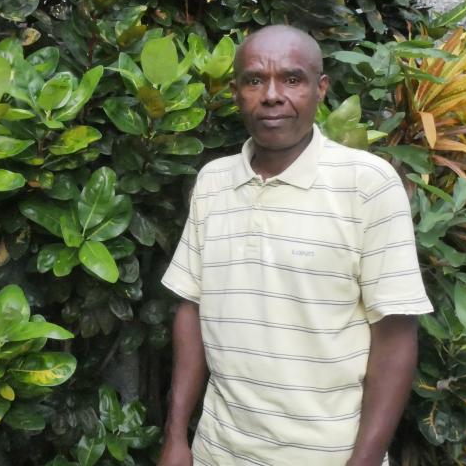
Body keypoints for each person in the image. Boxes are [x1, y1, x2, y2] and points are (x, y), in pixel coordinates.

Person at [158, 25, 433, 466]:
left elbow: (396, 337)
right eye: (254, 80)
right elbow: (191, 308)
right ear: (235, 92)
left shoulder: (367, 184)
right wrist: (176, 437)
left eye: (291, 79)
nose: (271, 95)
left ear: (320, 89)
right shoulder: (212, 182)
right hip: (218, 452)